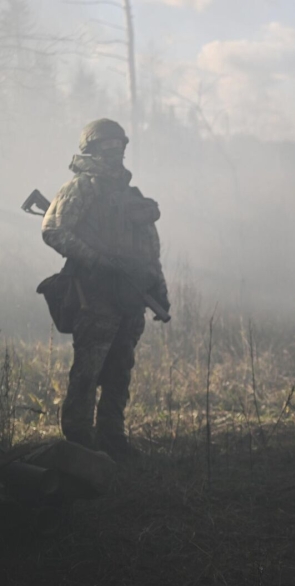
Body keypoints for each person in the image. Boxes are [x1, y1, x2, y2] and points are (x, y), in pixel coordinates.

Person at [41, 118, 169, 460]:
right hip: (93, 295)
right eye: (108, 146)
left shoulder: (131, 196)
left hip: (128, 297)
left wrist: (158, 287)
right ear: (93, 149)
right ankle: (79, 445)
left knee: (119, 371)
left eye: (120, 146)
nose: (116, 152)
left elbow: (150, 248)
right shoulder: (81, 187)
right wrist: (96, 259)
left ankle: (112, 438)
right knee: (87, 372)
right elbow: (53, 230)